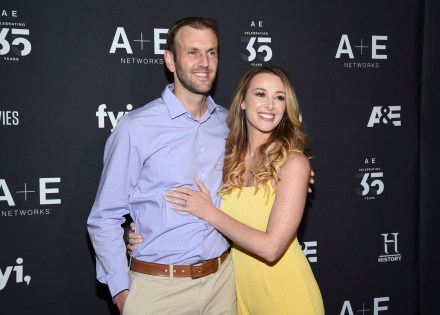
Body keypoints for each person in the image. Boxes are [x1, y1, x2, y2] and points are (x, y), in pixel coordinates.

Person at [129, 65, 325, 314]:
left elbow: (271, 248)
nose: (270, 105)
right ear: (243, 101)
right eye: (260, 94)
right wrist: (142, 227)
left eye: (279, 97)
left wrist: (209, 212)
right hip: (237, 293)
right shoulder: (227, 156)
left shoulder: (293, 163)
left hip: (286, 294)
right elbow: (168, 187)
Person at [87, 17, 237, 315]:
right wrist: (122, 292)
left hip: (222, 284)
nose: (204, 62)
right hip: (159, 291)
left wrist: (294, 173)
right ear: (170, 60)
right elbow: (104, 218)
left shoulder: (228, 123)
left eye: (212, 52)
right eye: (192, 52)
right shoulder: (137, 127)